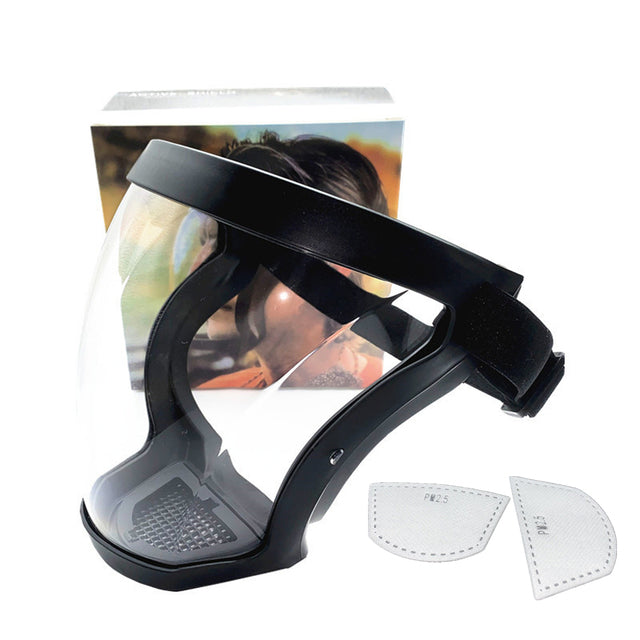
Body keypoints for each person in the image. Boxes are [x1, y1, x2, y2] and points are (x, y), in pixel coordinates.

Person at [189, 132, 391, 390]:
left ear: (333, 265)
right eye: (204, 241)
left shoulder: (387, 390)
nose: (198, 269)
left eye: (241, 246)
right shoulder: (217, 395)